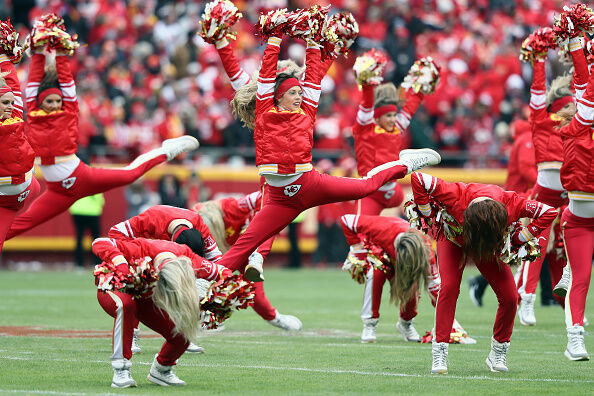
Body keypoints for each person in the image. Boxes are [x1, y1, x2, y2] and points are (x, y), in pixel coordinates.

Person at [217, 32, 441, 282]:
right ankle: (203, 284)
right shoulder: (264, 112)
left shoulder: (307, 112)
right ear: (278, 96)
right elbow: (267, 74)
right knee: (241, 249)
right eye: (293, 93)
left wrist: (316, 44)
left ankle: (406, 164)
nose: (300, 96)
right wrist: (275, 38)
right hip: (280, 198)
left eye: (301, 93)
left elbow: (314, 78)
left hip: (308, 182)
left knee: (365, 186)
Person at [6, 39, 199, 240]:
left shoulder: (68, 112)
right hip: (57, 191)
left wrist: (62, 53)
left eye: (57, 100)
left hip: (80, 177)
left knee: (130, 174)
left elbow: (67, 84)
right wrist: (37, 53)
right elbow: (33, 86)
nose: (54, 104)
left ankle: (166, 151)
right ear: (40, 102)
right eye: (49, 101)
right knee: (23, 223)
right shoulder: (34, 115)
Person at [410, 172, 557, 374]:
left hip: (487, 245)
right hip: (453, 237)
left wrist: (521, 237)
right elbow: (418, 178)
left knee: (510, 296)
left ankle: (498, 352)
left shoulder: (512, 203)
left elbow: (548, 212)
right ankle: (440, 353)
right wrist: (427, 213)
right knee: (449, 288)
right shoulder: (454, 194)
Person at [515, 35, 588, 326]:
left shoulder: (579, 126)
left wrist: (580, 54)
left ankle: (565, 300)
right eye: (566, 108)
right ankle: (528, 298)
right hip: (545, 193)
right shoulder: (541, 121)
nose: (571, 112)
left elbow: (586, 93)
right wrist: (539, 58)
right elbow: (536, 92)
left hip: (570, 195)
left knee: (564, 248)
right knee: (536, 244)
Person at [92, 237, 231, 388]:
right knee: (125, 305)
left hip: (146, 297)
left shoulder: (190, 258)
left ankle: (162, 370)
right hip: (116, 287)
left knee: (182, 335)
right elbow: (99, 242)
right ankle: (121, 370)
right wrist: (121, 263)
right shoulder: (140, 249)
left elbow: (223, 272)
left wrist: (229, 292)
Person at [340, 214, 474, 345]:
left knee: (412, 287)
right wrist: (358, 251)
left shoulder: (426, 251)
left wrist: (452, 325)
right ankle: (369, 324)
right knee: (376, 274)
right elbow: (346, 220)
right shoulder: (383, 227)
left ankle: (406, 323)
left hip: (406, 265)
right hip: (380, 254)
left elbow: (435, 289)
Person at [108, 204, 224, 352]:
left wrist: (216, 288)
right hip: (141, 255)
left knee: (188, 284)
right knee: (138, 285)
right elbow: (115, 232)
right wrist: (133, 256)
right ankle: (131, 335)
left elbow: (215, 258)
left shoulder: (197, 222)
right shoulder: (152, 217)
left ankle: (184, 334)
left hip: (163, 256)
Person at [193, 191, 302, 330]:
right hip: (219, 254)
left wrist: (256, 220)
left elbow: (261, 197)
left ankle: (274, 318)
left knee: (255, 292)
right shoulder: (194, 218)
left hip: (244, 249)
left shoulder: (233, 207)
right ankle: (205, 316)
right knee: (203, 280)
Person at [468, 117, 537, 307]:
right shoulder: (528, 139)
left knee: (527, 247)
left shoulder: (528, 137)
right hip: (519, 199)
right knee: (519, 247)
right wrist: (546, 184)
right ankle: (481, 283)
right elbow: (526, 170)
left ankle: (546, 295)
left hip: (521, 197)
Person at [557, 35, 594, 361]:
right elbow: (587, 89)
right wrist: (578, 49)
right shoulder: (578, 128)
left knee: (579, 278)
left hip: (578, 214)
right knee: (581, 279)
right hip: (579, 218)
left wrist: (578, 48)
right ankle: (575, 338)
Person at [0, 44, 39, 252]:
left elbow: (13, 86)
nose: (9, 105)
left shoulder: (13, 116)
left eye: (10, 102)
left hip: (28, 186)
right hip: (4, 198)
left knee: (37, 189)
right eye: (4, 102)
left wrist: (2, 55)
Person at [69, 193, 104, 268]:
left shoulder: (76, 182)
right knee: (96, 239)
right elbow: (100, 199)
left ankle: (79, 264)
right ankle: (97, 263)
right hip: (93, 212)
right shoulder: (96, 182)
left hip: (77, 211)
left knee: (79, 238)